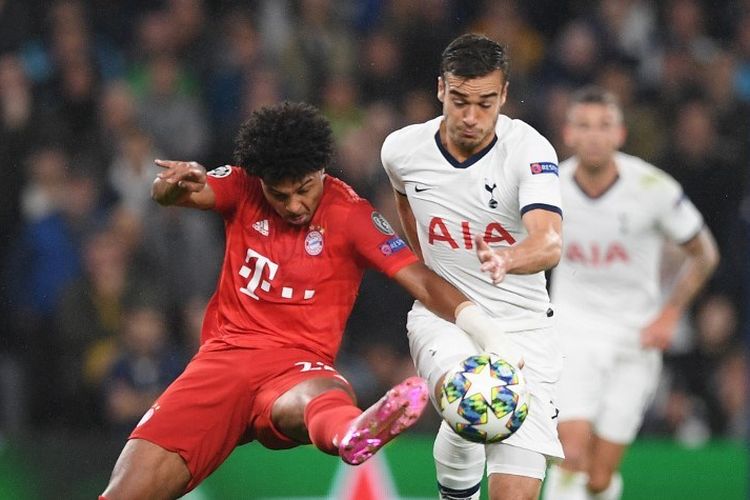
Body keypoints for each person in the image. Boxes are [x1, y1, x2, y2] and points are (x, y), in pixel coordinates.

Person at [100, 101, 505, 499]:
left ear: (321, 171)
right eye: (279, 194)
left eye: (304, 189)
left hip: (296, 367)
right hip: (223, 363)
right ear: (260, 180)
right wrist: (168, 186)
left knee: (319, 398)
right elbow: (178, 193)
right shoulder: (242, 185)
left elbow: (419, 278)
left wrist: (482, 328)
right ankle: (348, 428)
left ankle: (353, 432)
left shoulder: (350, 214)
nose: (294, 205)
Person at [381, 33, 565, 500]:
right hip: (446, 317)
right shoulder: (401, 151)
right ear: (441, 88)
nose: (470, 116)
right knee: (473, 395)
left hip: (523, 328)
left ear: (503, 96)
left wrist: (508, 258)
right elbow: (409, 208)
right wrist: (428, 277)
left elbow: (548, 242)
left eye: (485, 103)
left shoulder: (529, 150)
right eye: (459, 100)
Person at [542, 86, 719, 500]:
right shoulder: (548, 189)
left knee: (600, 476)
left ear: (620, 134)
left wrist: (670, 313)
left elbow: (705, 253)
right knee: (570, 453)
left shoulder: (652, 187)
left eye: (604, 126)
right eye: (583, 126)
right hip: (572, 330)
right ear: (568, 133)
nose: (594, 136)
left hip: (634, 337)